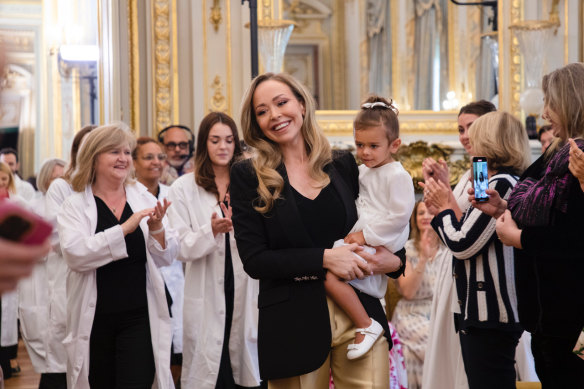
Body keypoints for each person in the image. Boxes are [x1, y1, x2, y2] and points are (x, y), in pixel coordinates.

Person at [230, 72, 404, 388]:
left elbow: (377, 222)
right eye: (262, 111)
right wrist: (325, 258)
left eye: (281, 102)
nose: (275, 115)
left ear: (301, 104)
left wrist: (395, 262)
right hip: (292, 321)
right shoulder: (247, 175)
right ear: (255, 123)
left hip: (361, 318)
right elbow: (255, 260)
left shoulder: (342, 164)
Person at [476, 63, 584, 387]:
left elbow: (575, 239)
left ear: (570, 103)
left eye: (551, 102)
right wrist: (502, 207)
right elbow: (539, 207)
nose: (545, 112)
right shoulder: (556, 150)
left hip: (570, 310)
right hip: (544, 312)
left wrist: (520, 238)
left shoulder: (578, 156)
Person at [57, 123, 178, 389]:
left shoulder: (143, 198)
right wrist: (125, 228)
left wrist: (156, 229)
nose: (123, 158)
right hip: (95, 318)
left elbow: (167, 257)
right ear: (93, 156)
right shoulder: (75, 204)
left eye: (126, 151)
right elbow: (75, 255)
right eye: (114, 151)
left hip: (138, 316)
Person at [424, 111, 530, 389]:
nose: (468, 140)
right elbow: (470, 231)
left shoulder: (502, 183)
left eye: (475, 134)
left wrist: (443, 208)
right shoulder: (492, 179)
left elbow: (462, 243)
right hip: (481, 310)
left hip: (491, 312)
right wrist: (445, 205)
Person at [167, 112, 260, 388]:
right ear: (204, 145)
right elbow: (180, 247)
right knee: (212, 370)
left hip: (246, 283)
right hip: (206, 288)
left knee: (247, 367)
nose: (223, 147)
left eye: (229, 140)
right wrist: (212, 231)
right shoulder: (183, 188)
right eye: (215, 140)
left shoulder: (251, 183)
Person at [324, 96, 414, 360]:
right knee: (328, 272)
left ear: (394, 145)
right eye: (360, 145)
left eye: (374, 146)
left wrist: (365, 236)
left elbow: (399, 216)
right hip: (364, 235)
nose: (365, 152)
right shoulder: (362, 171)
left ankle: (366, 324)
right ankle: (364, 322)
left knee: (328, 272)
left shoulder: (398, 175)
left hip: (381, 238)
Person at [420, 99, 496, 389]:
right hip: (450, 268)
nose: (464, 136)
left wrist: (443, 200)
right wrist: (445, 187)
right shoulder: (472, 170)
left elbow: (468, 228)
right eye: (460, 129)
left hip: (471, 272)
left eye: (471, 128)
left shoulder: (485, 172)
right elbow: (460, 219)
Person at [133, 136, 185, 386]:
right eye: (148, 157)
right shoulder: (129, 197)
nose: (156, 162)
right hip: (143, 284)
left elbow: (179, 240)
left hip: (174, 281)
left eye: (160, 157)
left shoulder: (171, 194)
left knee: (176, 354)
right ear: (134, 162)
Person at [17, 158, 67, 388]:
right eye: (57, 177)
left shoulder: (75, 206)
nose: (62, 182)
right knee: (49, 358)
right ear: (45, 179)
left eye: (66, 177)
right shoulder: (31, 209)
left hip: (65, 283)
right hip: (38, 284)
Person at [391, 201, 447, 389]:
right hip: (411, 313)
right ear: (414, 220)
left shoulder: (448, 250)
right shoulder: (405, 249)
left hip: (439, 312)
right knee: (434, 341)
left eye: (430, 212)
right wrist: (423, 257)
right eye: (420, 213)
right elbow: (407, 292)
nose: (425, 216)